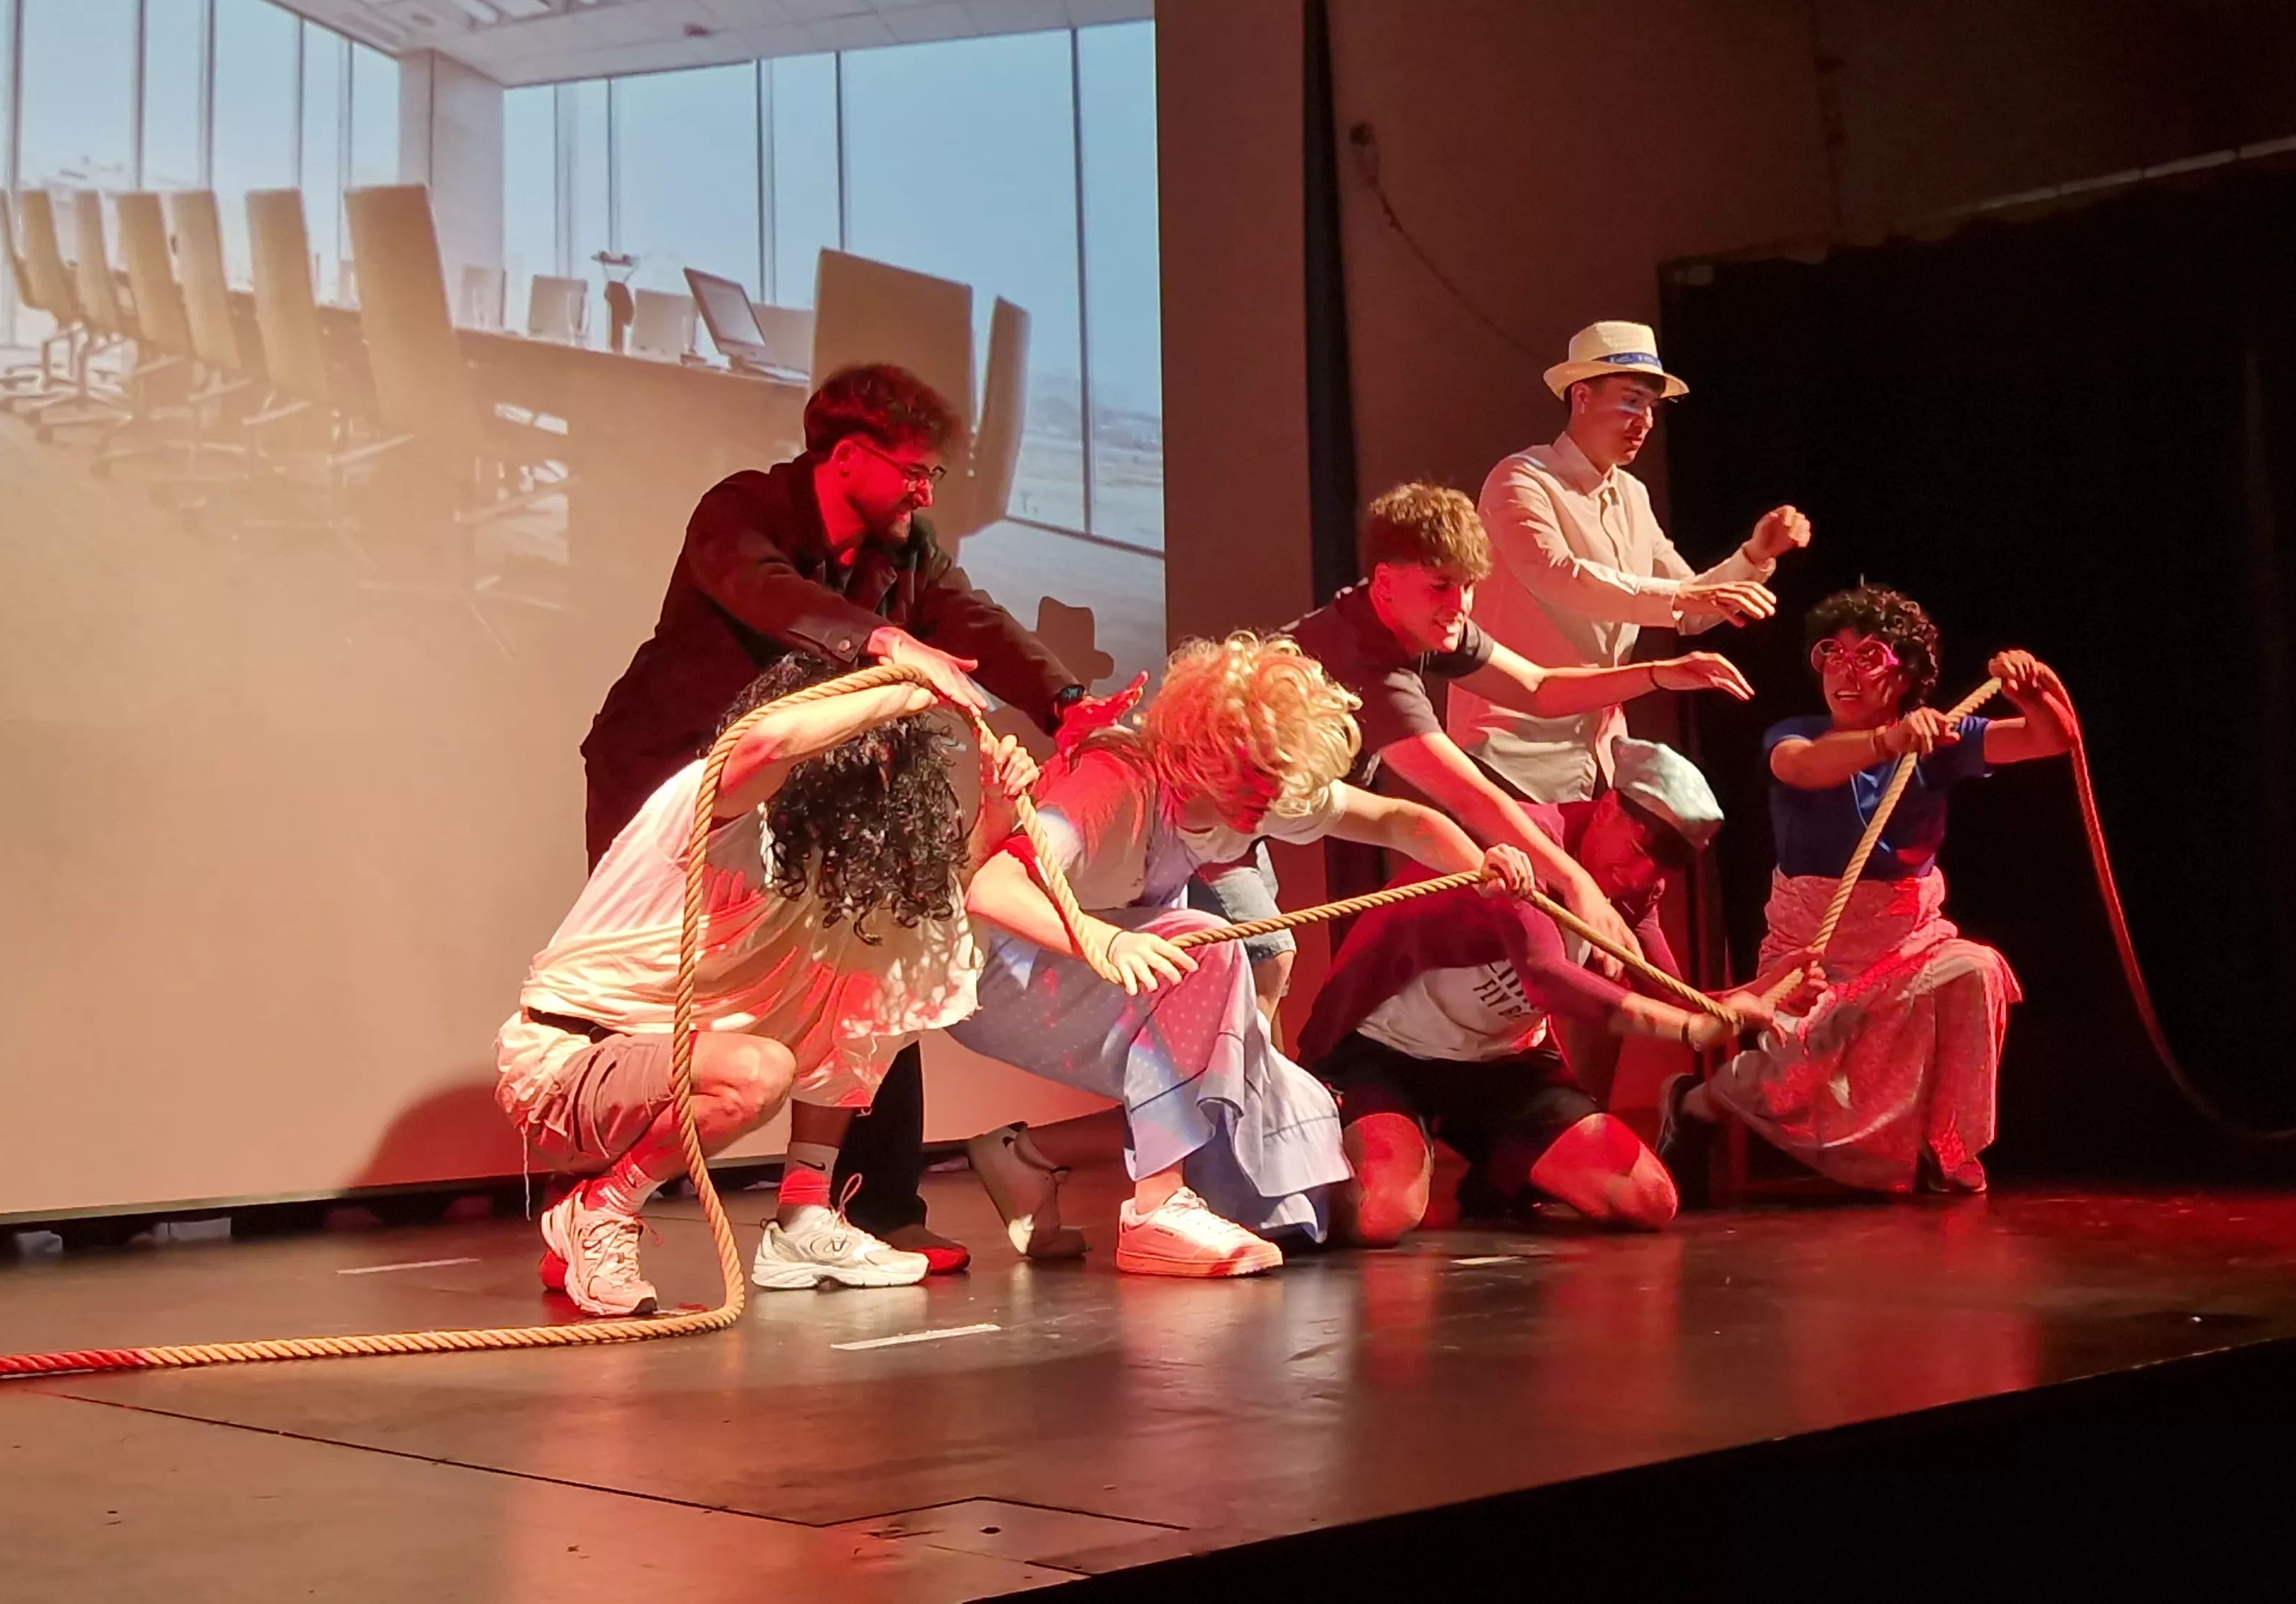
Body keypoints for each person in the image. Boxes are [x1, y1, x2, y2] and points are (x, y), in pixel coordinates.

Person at [578, 363, 1123, 1274]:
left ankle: (867, 1209)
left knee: (867, 963)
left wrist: (1066, 703)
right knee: (651, 991)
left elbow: (975, 621)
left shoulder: (907, 547)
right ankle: (597, 1208)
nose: (924, 489)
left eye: (932, 475)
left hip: (797, 798)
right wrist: (880, 638)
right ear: (844, 457)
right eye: (913, 470)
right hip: (672, 780)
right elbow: (765, 588)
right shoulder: (742, 508)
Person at [952, 632, 1536, 1277]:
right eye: (1258, 775)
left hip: (1093, 969)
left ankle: (1025, 1157)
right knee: (1207, 952)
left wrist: (1480, 866)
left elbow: (1399, 821)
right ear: (1203, 750)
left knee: (1339, 1190)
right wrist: (1107, 940)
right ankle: (1156, 1210)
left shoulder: (1247, 794)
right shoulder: (1117, 783)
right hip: (1000, 974)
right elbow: (990, 887)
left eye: (1279, 777)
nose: (1270, 797)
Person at [496, 654, 1039, 1316]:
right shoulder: (710, 804)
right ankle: (601, 1207)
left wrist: (998, 811)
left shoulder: (824, 864)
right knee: (759, 1068)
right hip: (568, 1073)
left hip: (664, 1075)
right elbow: (767, 741)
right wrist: (904, 691)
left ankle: (804, 1215)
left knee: (875, 972)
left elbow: (933, 914)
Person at [1301, 740, 1817, 1244]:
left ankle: (1500, 1169)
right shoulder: (1520, 844)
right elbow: (1548, 977)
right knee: (1382, 1215)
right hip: (1387, 1052)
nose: (1640, 876)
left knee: (1647, 1200)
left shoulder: (1638, 886)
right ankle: (1378, 1142)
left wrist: (1759, 992)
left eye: (1660, 867)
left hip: (1502, 1067)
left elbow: (1676, 996)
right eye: (1639, 848)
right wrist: (1690, 1027)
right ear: (1609, 807)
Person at [1664, 585, 2074, 1196]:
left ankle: (1945, 1149)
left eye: (1868, 656)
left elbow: (2051, 738)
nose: (1844, 672)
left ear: (1905, 674)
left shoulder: (1942, 741)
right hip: (1814, 947)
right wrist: (1887, 742)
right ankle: (1697, 1107)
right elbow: (1800, 767)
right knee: (1803, 1061)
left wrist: (2030, 692)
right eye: (1833, 654)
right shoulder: (1795, 733)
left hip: (1906, 940)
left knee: (1974, 970)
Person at [1285, 480, 1755, 970]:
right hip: (1223, 799)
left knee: (1270, 957)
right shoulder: (1368, 664)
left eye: (1468, 586)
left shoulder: (1418, 621)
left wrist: (1659, 674)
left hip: (1286, 806)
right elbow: (1468, 796)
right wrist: (1578, 886)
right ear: (1385, 582)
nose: (1460, 605)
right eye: (1440, 585)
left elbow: (1538, 688)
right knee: (1264, 951)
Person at [1452, 320, 1814, 806]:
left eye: (1650, 406)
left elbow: (1691, 606)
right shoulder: (1521, 478)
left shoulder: (1631, 495)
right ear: (1581, 397)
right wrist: (1685, 597)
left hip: (1596, 751)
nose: (1644, 420)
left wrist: (1755, 554)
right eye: (1630, 400)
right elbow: (1559, 576)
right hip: (1511, 749)